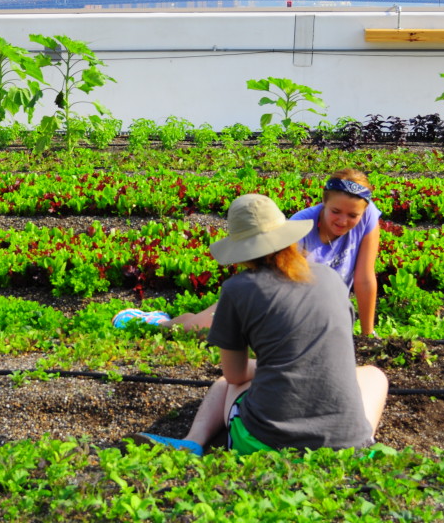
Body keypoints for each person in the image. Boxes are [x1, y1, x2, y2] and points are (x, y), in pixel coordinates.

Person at [128, 194, 388, 456]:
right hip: (346, 445)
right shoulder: (330, 277)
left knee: (224, 383)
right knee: (375, 376)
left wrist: (272, 366)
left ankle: (194, 441)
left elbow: (236, 376)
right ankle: (357, 439)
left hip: (267, 442)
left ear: (241, 249)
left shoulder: (238, 289)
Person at [113, 168, 382, 337]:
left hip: (315, 309)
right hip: (271, 295)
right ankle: (159, 322)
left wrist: (368, 334)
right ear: (323, 203)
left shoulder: (369, 217)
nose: (343, 220)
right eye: (335, 211)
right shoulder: (300, 226)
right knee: (200, 328)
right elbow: (279, 285)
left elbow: (365, 278)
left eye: (352, 215)